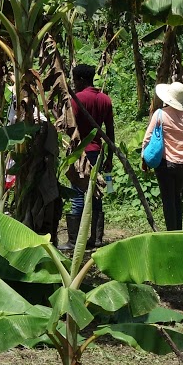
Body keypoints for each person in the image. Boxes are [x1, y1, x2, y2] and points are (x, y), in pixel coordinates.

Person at [63, 63, 113, 252]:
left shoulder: (76, 100)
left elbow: (69, 127)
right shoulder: (105, 100)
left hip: (80, 152)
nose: (74, 83)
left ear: (81, 80)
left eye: (75, 80)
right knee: (96, 194)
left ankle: (74, 241)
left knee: (77, 194)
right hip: (98, 152)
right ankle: (96, 238)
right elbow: (110, 131)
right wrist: (109, 156)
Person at [141, 81, 183, 231]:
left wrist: (144, 157)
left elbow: (148, 137)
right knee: (177, 196)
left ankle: (172, 232)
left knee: (168, 199)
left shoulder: (160, 114)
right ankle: (178, 230)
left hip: (166, 163)